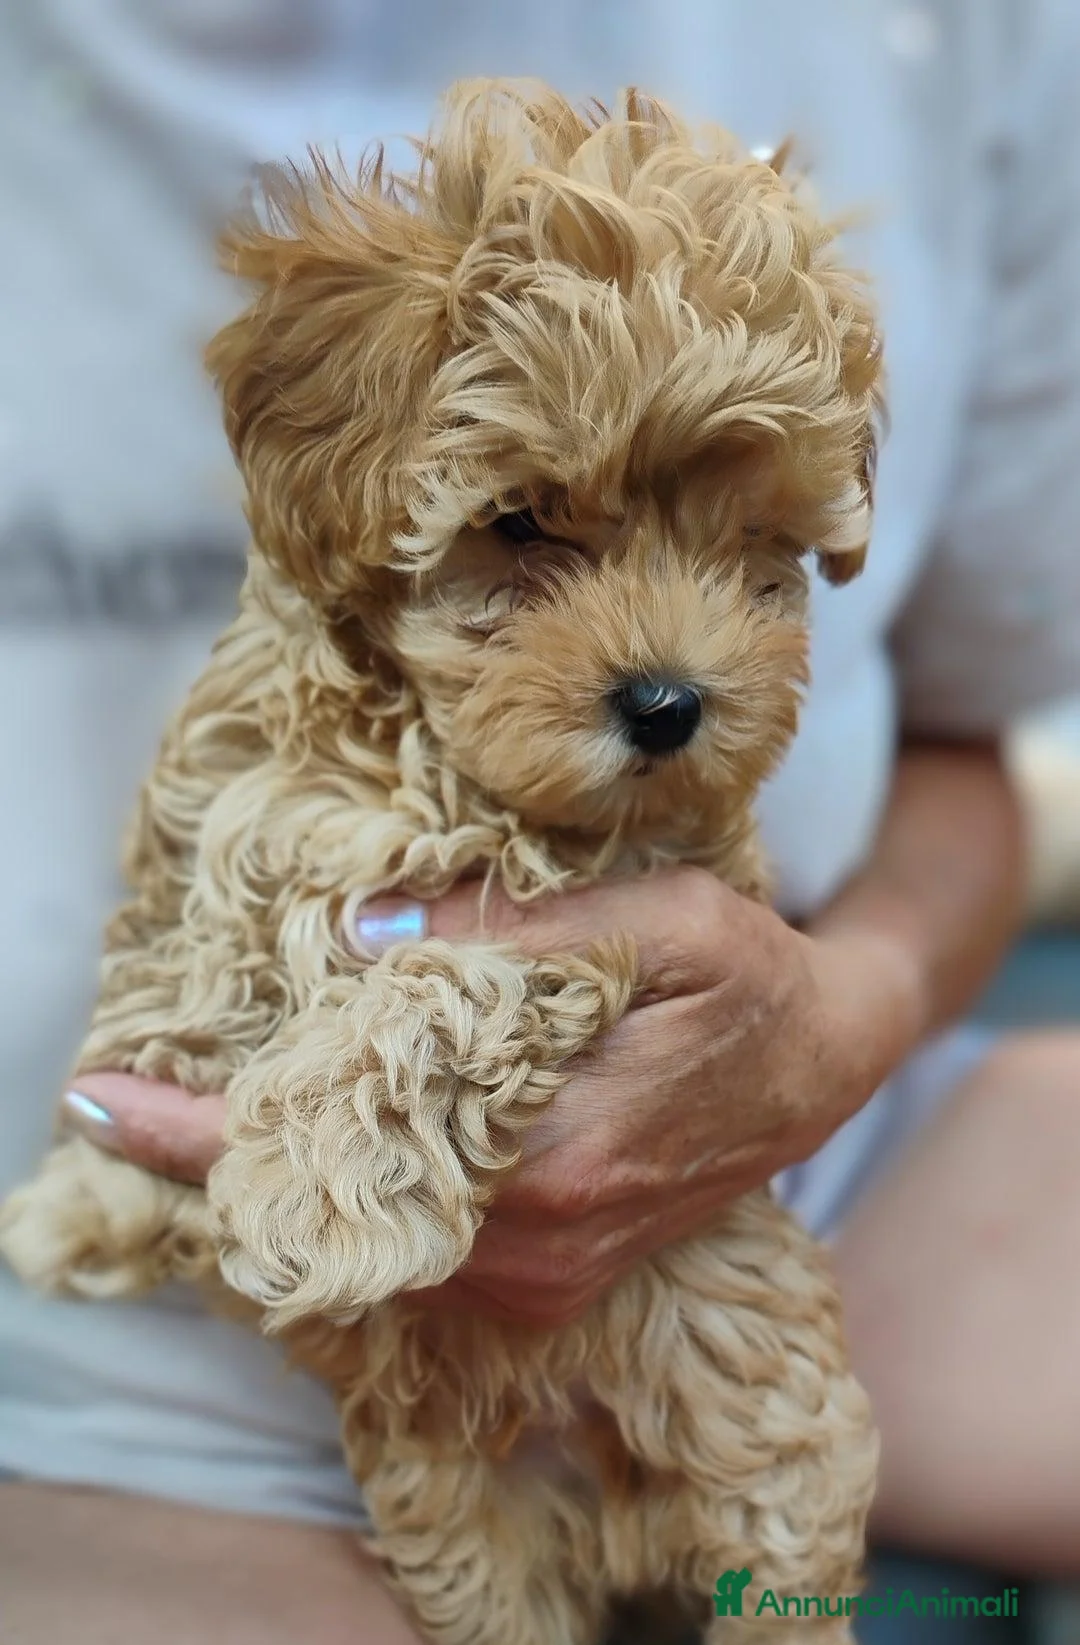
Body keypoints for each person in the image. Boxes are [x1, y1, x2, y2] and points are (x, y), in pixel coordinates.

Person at [2, 2, 1079, 1640]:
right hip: (180, 1390)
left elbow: (959, 745)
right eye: (525, 533)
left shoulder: (967, 35)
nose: (674, 666)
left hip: (809, 1183)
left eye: (755, 559)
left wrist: (840, 1021)